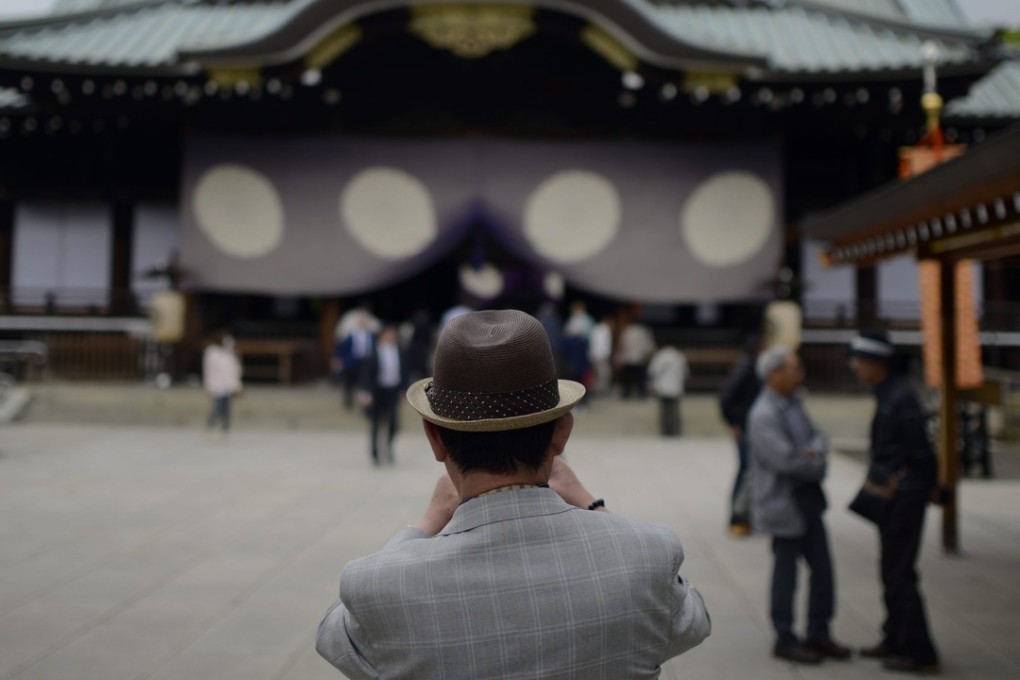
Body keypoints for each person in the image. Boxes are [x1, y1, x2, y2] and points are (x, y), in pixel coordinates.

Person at [317, 309, 711, 679]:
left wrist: (425, 522)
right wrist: (591, 502)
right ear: (562, 433)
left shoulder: (380, 588)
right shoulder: (646, 557)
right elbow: (692, 621)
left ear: (435, 439)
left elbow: (334, 640)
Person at [748, 346, 851, 665]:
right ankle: (785, 637)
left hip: (808, 498)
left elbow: (819, 438)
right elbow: (785, 460)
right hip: (784, 502)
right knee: (786, 572)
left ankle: (819, 632)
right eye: (794, 368)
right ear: (774, 374)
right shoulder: (762, 413)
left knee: (823, 570)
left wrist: (813, 453)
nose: (800, 373)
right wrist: (815, 460)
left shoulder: (794, 403)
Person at [849, 329, 940, 674]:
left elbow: (920, 449)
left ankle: (919, 649)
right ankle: (895, 637)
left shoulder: (900, 398)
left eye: (860, 361)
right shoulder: (889, 393)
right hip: (895, 493)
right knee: (890, 568)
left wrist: (932, 485)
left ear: (877, 364)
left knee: (900, 571)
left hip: (906, 493)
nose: (855, 367)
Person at [719, 333, 764, 536]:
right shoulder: (747, 367)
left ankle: (746, 514)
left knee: (750, 470)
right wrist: (734, 423)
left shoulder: (754, 366)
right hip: (744, 427)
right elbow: (726, 397)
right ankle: (737, 515)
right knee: (746, 471)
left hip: (751, 426)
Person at [358, 325, 406, 466]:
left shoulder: (400, 352)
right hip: (377, 391)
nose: (390, 337)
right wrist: (365, 392)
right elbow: (366, 374)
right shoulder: (373, 353)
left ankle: (389, 447)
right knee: (375, 422)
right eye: (387, 335)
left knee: (393, 422)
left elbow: (404, 371)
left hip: (393, 391)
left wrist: (404, 388)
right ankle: (375, 451)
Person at [333, 310, 375, 411]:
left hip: (365, 362)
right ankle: (348, 401)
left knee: (365, 383)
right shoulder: (351, 335)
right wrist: (340, 360)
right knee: (349, 383)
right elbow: (342, 349)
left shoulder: (371, 335)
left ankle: (364, 403)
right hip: (352, 362)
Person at [202, 329, 242, 434]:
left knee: (226, 408)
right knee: (217, 406)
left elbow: (235, 371)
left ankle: (225, 426)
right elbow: (209, 370)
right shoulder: (212, 352)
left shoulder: (230, 353)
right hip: (217, 385)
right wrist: (209, 385)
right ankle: (212, 423)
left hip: (228, 386)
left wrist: (237, 386)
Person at [647, 342, 689, 436]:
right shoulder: (678, 356)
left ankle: (665, 430)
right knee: (675, 409)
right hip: (676, 386)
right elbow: (685, 372)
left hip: (662, 387)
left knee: (664, 410)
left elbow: (652, 371)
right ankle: (676, 430)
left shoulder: (659, 356)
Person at [616, 318, 655, 399]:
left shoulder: (627, 330)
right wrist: (647, 355)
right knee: (640, 378)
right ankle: (642, 394)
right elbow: (649, 345)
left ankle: (626, 394)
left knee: (627, 379)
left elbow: (622, 344)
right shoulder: (643, 331)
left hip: (628, 358)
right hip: (640, 358)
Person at [588, 313, 614, 397]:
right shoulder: (606, 330)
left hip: (593, 355)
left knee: (597, 374)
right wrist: (607, 355)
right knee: (604, 374)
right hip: (601, 355)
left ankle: (597, 390)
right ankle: (600, 391)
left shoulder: (595, 328)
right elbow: (605, 344)